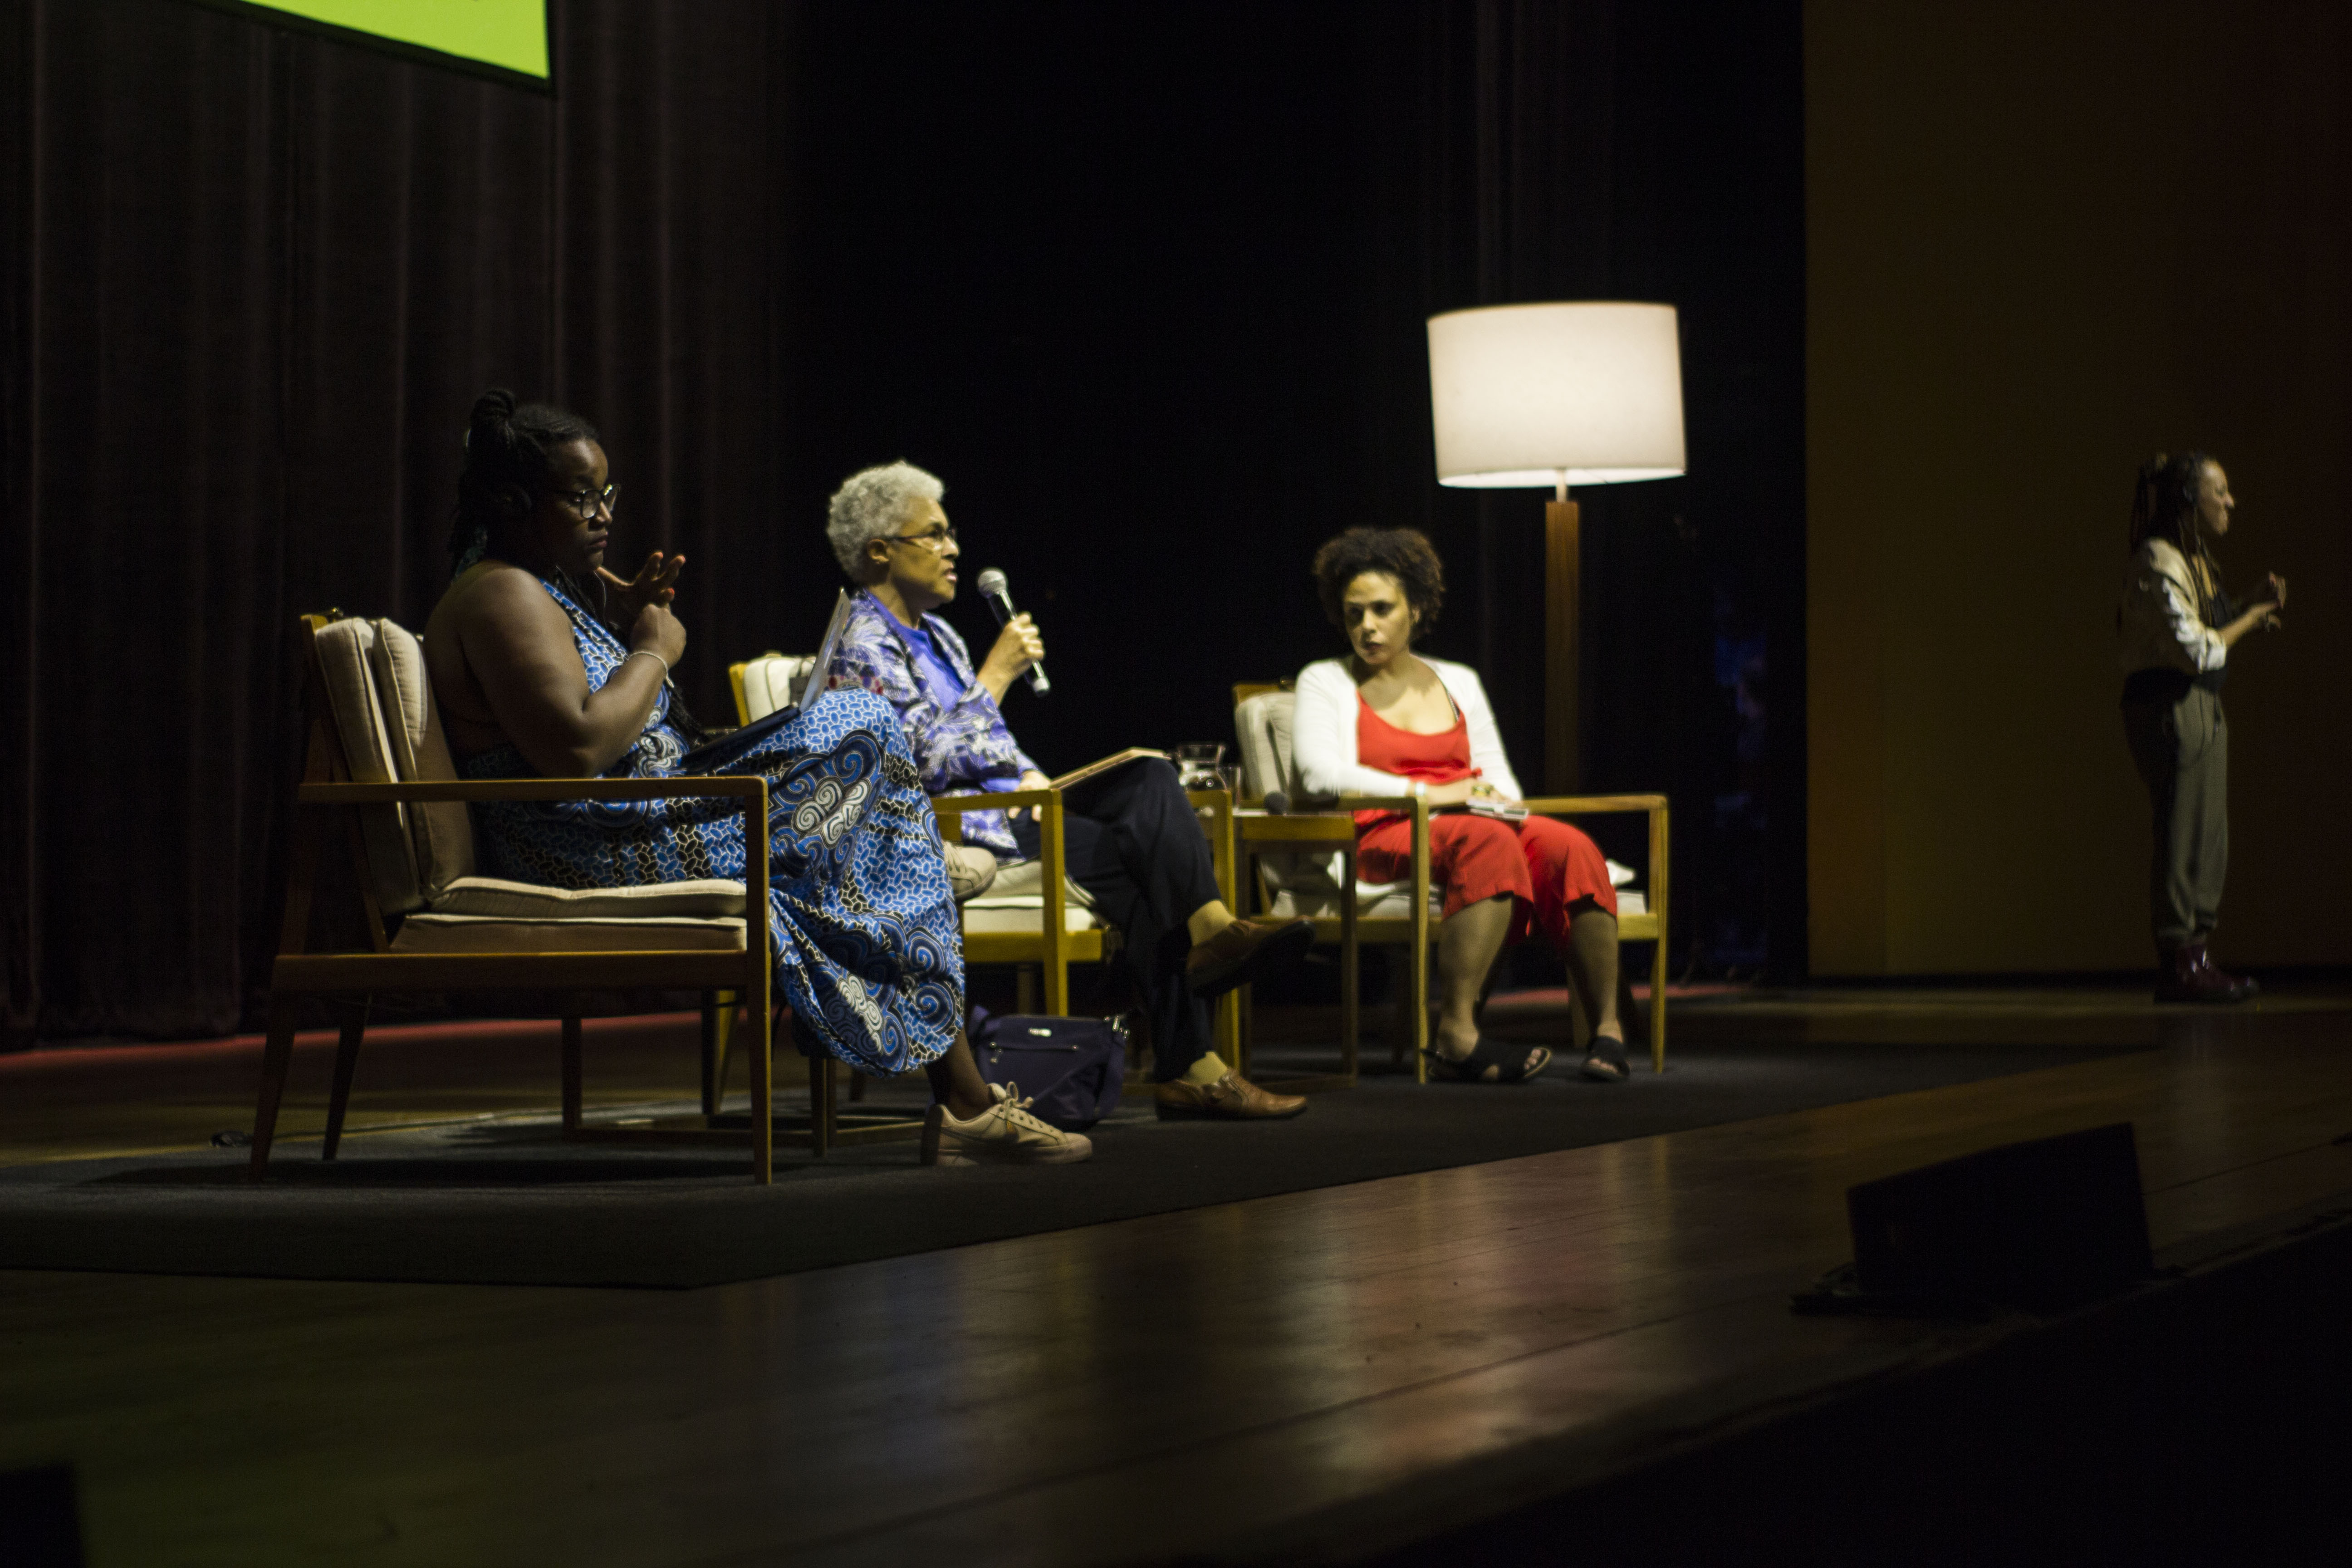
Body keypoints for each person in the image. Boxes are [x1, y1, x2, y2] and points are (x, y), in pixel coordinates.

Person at [422, 391, 1085, 1165]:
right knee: (865, 747)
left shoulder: (536, 588)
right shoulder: (503, 592)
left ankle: (955, 1091)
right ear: (512, 501)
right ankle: (966, 1102)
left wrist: (612, 605)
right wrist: (650, 650)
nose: (603, 514)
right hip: (589, 844)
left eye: (608, 495)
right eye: (580, 498)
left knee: (861, 748)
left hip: (639, 816)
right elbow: (575, 749)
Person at [822, 461, 1313, 1120]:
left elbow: (988, 739)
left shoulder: (938, 634)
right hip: (953, 828)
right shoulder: (862, 642)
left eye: (951, 534)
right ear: (880, 551)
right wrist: (996, 674)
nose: (954, 550)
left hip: (1010, 806)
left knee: (1149, 776)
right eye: (933, 536)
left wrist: (1026, 772)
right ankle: (1195, 1052)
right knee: (1139, 867)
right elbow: (914, 765)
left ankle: (1212, 937)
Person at [1292, 527, 1632, 1083]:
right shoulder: (1325, 681)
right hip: (1381, 833)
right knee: (1485, 840)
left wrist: (1495, 802)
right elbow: (1318, 773)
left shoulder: (1458, 681)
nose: (1367, 627)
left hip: (1467, 824)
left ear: (1417, 609)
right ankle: (1455, 1034)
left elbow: (1498, 776)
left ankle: (1608, 1031)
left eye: (1382, 610)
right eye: (1354, 613)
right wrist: (1434, 794)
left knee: (1569, 846)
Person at [2117, 451, 2286, 1004]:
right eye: (2221, 492)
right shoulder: (2158, 561)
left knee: (2209, 835)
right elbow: (2193, 650)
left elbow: (2204, 631)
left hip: (2200, 705)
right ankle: (2178, 959)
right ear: (2189, 500)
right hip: (2172, 705)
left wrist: (2246, 606)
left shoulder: (2194, 558)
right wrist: (2250, 620)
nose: (2230, 502)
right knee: (2183, 831)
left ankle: (2199, 955)